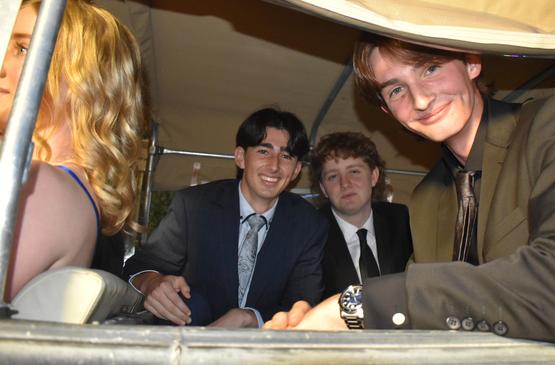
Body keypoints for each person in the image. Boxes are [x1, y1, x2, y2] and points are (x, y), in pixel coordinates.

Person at [265, 33, 555, 344]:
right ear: (386, 111)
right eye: (396, 90)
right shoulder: (427, 198)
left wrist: (359, 305)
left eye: (430, 68)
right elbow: (435, 319)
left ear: (471, 61)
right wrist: (324, 321)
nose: (420, 99)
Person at [123, 107, 327, 328]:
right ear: (240, 157)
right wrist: (152, 282)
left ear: (296, 170)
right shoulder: (194, 206)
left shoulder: (309, 224)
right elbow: (140, 266)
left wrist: (249, 317)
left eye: (286, 156)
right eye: (263, 151)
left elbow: (303, 302)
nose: (274, 166)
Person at [1, 0, 146, 301]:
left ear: (82, 78)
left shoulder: (40, 187)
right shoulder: (78, 191)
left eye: (23, 49)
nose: (2, 66)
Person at [309, 132, 412, 298]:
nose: (345, 183)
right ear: (323, 189)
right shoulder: (311, 235)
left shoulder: (401, 221)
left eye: (354, 172)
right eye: (333, 176)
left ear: (373, 176)